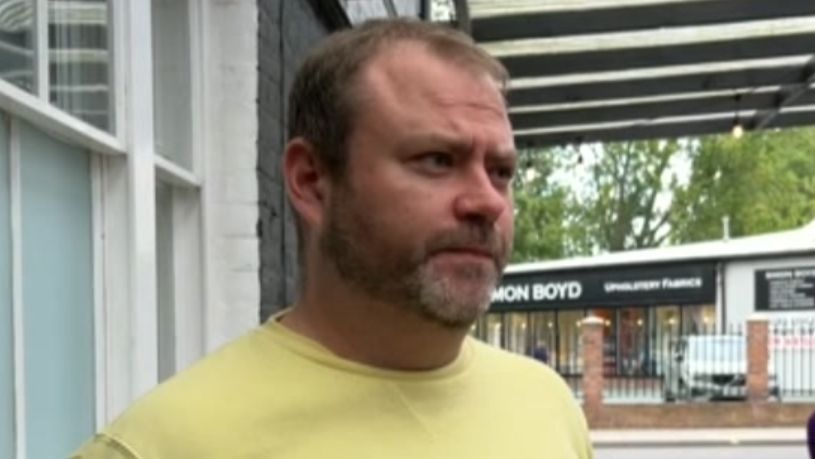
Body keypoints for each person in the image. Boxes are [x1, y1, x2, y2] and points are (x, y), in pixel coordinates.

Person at [72, 18, 593, 459]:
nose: (487, 202)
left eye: (501, 171)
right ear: (311, 181)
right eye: (437, 160)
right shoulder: (160, 446)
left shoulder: (547, 407)